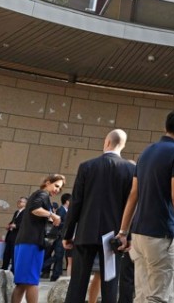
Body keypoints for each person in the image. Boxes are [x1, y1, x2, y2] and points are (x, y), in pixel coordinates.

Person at [118, 108, 174, 303]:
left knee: (142, 294)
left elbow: (133, 195)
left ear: (166, 127)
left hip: (137, 235)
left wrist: (122, 231)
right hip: (159, 235)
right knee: (158, 296)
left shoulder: (146, 152)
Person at [62, 129, 136, 303]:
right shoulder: (131, 169)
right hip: (113, 237)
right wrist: (128, 235)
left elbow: (76, 203)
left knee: (77, 283)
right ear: (123, 145)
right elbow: (131, 206)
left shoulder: (86, 166)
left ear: (106, 142)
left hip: (85, 233)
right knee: (110, 282)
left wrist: (67, 233)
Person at [11, 173, 66, 303]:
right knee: (31, 281)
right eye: (56, 185)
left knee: (22, 283)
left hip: (24, 241)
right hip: (32, 242)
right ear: (47, 182)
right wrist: (53, 215)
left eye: (60, 188)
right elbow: (35, 209)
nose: (57, 190)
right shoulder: (43, 194)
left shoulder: (38, 194)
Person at [49, 194, 71, 280]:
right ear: (67, 201)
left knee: (59, 256)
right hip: (59, 236)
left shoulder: (66, 210)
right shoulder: (61, 210)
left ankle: (55, 275)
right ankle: (41, 266)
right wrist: (67, 224)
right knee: (58, 256)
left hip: (63, 236)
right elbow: (57, 223)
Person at [3, 196, 28, 271]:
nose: (19, 203)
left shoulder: (26, 213)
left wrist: (16, 226)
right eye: (19, 201)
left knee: (14, 253)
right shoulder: (17, 212)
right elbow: (13, 221)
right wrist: (9, 225)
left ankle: (13, 269)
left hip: (17, 235)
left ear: (26, 204)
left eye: (21, 201)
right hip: (11, 234)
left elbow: (24, 224)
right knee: (7, 252)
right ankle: (4, 267)